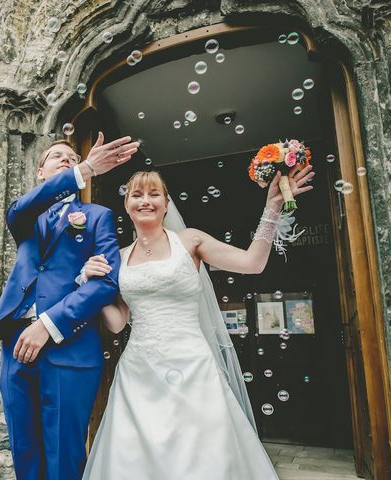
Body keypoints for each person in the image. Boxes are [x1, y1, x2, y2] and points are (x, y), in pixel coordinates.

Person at [81, 167, 314, 479]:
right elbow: (118, 323)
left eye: (154, 194)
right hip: (139, 372)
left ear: (166, 203)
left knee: (202, 455)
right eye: (136, 195)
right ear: (127, 205)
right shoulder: (119, 258)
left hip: (193, 366)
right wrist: (91, 287)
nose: (145, 200)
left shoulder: (189, 241)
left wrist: (271, 208)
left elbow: (252, 263)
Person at [0, 132, 139, 480]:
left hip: (69, 345)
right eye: (57, 157)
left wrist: (48, 324)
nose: (66, 159)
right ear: (40, 173)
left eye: (72, 157)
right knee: (24, 450)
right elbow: (19, 208)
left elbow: (106, 283)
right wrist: (84, 167)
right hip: (15, 347)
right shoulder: (25, 218)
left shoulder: (97, 216)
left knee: (65, 454)